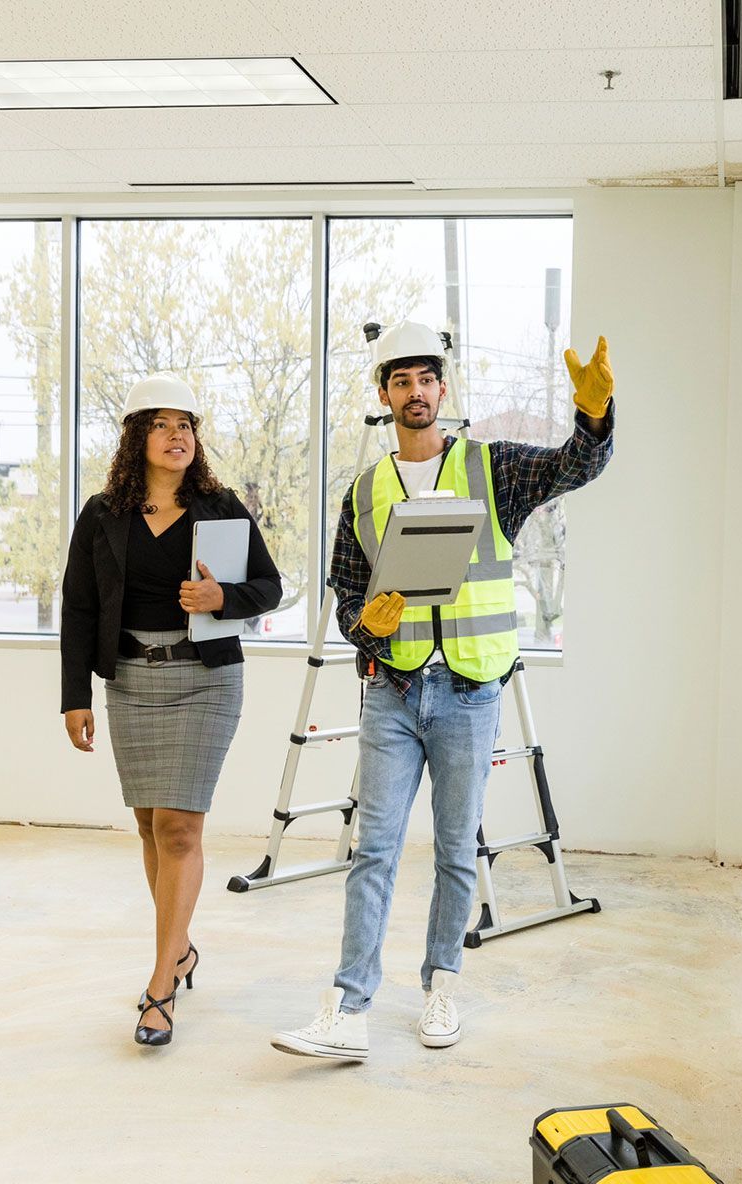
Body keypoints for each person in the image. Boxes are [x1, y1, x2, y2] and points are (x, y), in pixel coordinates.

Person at [271, 321, 615, 1061]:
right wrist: (366, 627)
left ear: (442, 388)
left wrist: (593, 416)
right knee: (375, 851)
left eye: (427, 378)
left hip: (468, 690)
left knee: (458, 849)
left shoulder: (493, 469)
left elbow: (574, 467)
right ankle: (350, 1008)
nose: (416, 391)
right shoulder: (364, 490)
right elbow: (347, 590)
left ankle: (440, 989)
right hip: (393, 692)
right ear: (385, 395)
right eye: (401, 381)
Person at [61, 376, 282, 1047]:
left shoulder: (222, 509)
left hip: (207, 680)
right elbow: (77, 606)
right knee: (151, 828)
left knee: (181, 827)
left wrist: (223, 600)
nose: (177, 435)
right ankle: (180, 949)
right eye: (160, 424)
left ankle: (160, 987)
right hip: (131, 680)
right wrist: (74, 695)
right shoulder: (103, 513)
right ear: (137, 438)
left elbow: (270, 587)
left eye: (185, 424)